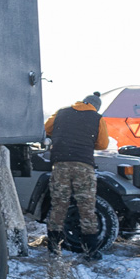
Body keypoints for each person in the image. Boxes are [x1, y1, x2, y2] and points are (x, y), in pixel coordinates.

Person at [44, 92, 110, 259]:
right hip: (83, 166)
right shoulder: (97, 118)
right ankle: (91, 250)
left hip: (60, 164)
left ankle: (53, 247)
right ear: (95, 106)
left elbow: (47, 128)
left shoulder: (62, 112)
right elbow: (103, 144)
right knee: (86, 207)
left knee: (59, 205)